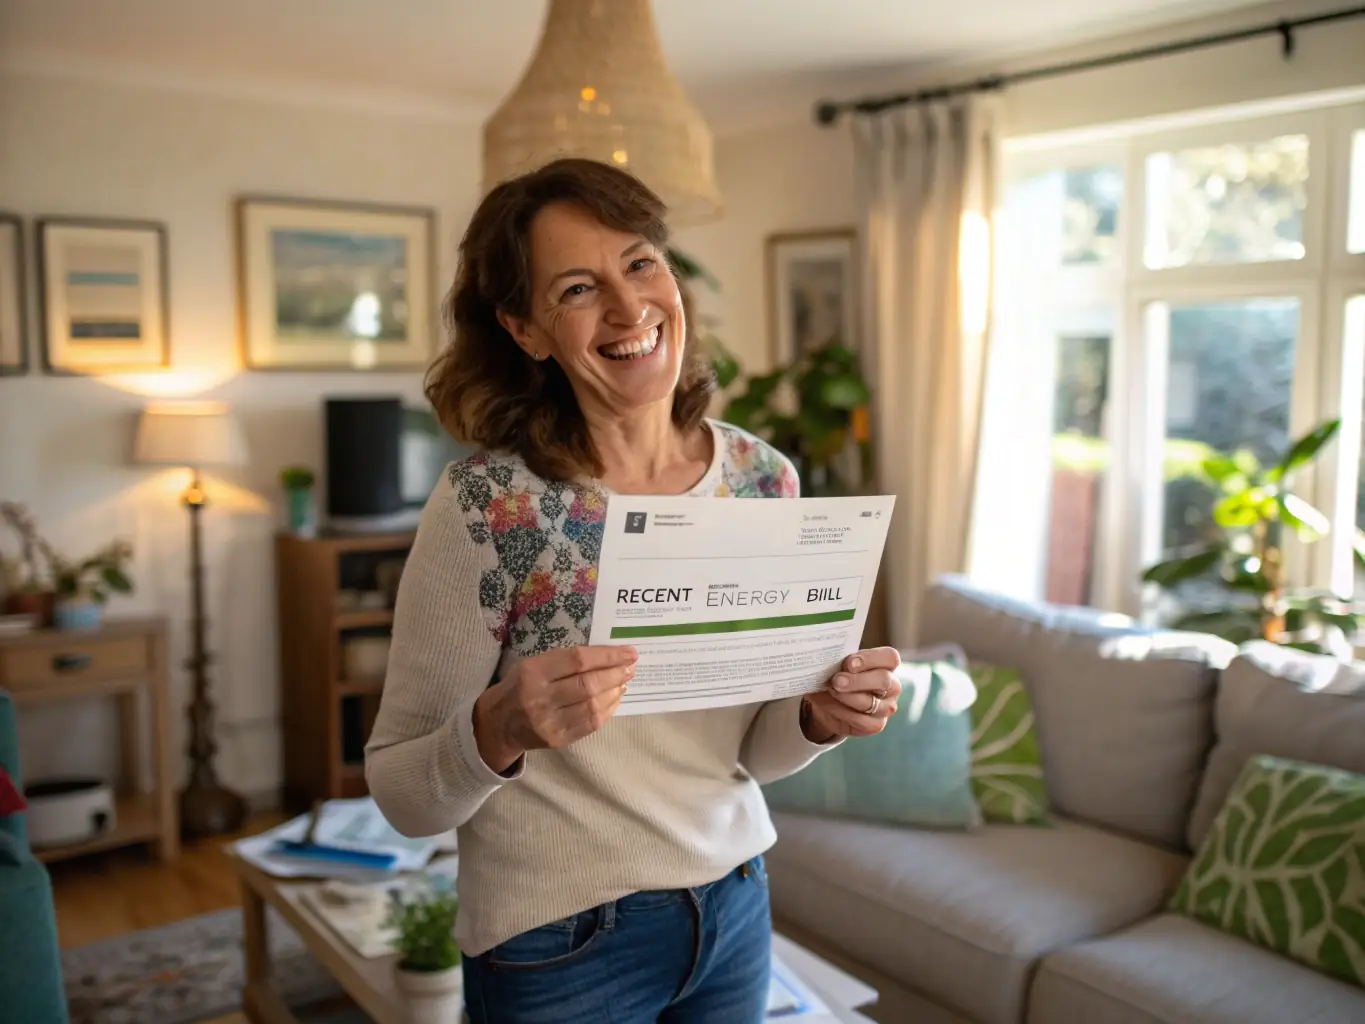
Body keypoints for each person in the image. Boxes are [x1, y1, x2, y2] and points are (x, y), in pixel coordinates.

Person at [365, 156, 901, 1024]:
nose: (628, 309)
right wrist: (497, 727)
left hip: (734, 908)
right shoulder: (488, 505)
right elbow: (400, 795)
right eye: (577, 288)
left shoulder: (762, 480)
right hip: (554, 946)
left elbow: (749, 752)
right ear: (525, 329)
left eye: (640, 263)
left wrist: (816, 717)